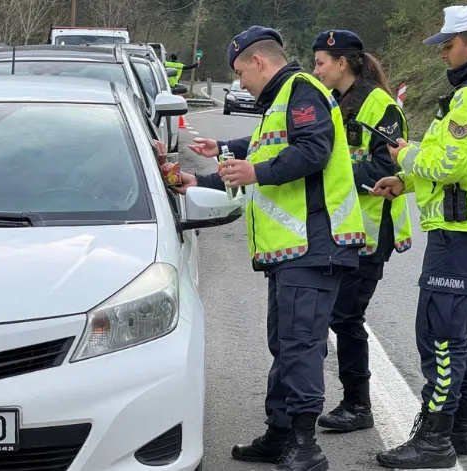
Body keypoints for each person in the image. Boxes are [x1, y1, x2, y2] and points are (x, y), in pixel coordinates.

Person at [174, 25, 367, 471]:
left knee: (300, 346)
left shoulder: (301, 91)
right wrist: (199, 179)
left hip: (316, 244)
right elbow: (261, 156)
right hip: (292, 250)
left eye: (241, 72)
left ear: (259, 62)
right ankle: (280, 434)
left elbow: (312, 152)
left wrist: (256, 174)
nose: (240, 83)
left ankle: (305, 446)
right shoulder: (281, 101)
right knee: (285, 344)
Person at [370, 5, 467, 468]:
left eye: (448, 45)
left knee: (440, 334)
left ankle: (435, 441)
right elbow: (463, 162)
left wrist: (403, 155)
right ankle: (461, 428)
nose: (443, 55)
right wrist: (408, 182)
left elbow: (445, 163)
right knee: (466, 332)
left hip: (460, 232)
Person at [309, 30, 414, 432]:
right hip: (343, 227)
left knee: (346, 316)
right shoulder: (333, 102)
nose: (316, 70)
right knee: (335, 315)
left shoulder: (380, 106)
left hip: (373, 229)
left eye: (321, 62)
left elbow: (386, 167)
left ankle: (358, 405)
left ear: (342, 63)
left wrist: (331, 176)